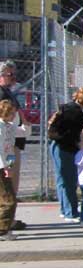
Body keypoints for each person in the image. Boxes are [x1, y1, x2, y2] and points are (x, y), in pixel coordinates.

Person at [47, 87, 83, 222]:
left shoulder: (69, 109)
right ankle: (70, 212)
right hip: (64, 147)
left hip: (60, 145)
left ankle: (66, 209)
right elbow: (78, 128)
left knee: (63, 179)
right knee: (68, 180)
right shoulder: (74, 112)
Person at [0, 61, 29, 207]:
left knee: (12, 181)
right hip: (7, 146)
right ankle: (6, 220)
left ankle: (9, 217)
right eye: (10, 74)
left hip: (13, 143)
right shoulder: (2, 94)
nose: (13, 78)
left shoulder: (8, 92)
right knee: (8, 183)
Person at [0, 99, 23, 240]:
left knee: (6, 199)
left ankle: (5, 229)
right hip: (1, 167)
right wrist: (6, 167)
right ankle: (2, 230)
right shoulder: (1, 129)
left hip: (5, 164)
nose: (15, 116)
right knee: (9, 200)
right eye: (13, 113)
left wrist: (26, 122)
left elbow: (24, 133)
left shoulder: (8, 127)